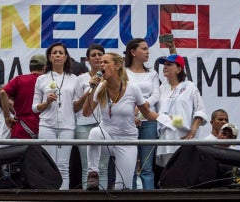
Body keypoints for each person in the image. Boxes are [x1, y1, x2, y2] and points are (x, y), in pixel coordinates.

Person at [82, 52, 159, 190]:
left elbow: (147, 114)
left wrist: (165, 118)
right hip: (106, 137)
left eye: (105, 62)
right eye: (101, 63)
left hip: (127, 140)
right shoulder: (99, 87)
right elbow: (86, 113)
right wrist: (92, 89)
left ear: (117, 66)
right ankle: (92, 174)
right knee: (94, 132)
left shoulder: (132, 88)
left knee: (122, 188)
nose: (101, 65)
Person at [32, 42, 81, 190]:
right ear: (49, 57)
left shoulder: (74, 79)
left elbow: (76, 106)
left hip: (67, 126)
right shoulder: (42, 79)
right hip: (47, 125)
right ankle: (49, 196)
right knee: (49, 165)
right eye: (54, 53)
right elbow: (34, 108)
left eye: (61, 53)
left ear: (66, 57)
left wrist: (85, 97)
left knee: (63, 165)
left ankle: (63, 196)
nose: (58, 55)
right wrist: (46, 102)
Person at [155, 54, 207, 170]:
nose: (165, 67)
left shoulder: (189, 87)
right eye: (164, 65)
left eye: (169, 64)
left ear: (179, 69)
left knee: (185, 173)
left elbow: (200, 110)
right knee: (169, 174)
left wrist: (193, 130)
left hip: (184, 137)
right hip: (166, 140)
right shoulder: (162, 88)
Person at [124, 38, 159, 190]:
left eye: (148, 49)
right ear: (133, 52)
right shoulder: (123, 72)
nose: (147, 52)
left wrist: (143, 105)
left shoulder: (152, 73)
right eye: (144, 49)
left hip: (149, 121)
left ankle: (150, 197)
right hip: (128, 121)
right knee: (130, 165)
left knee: (146, 166)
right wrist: (133, 110)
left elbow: (156, 94)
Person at [74, 44, 110, 189]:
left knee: (103, 167)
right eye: (93, 55)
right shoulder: (81, 79)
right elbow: (75, 106)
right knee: (87, 167)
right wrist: (90, 89)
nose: (97, 57)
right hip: (83, 125)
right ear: (87, 60)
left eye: (100, 54)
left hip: (105, 125)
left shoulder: (110, 78)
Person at [0, 54, 46, 139]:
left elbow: (3, 93)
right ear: (44, 68)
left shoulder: (19, 80)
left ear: (30, 68)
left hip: (21, 129)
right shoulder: (48, 81)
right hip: (44, 129)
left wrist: (7, 117)